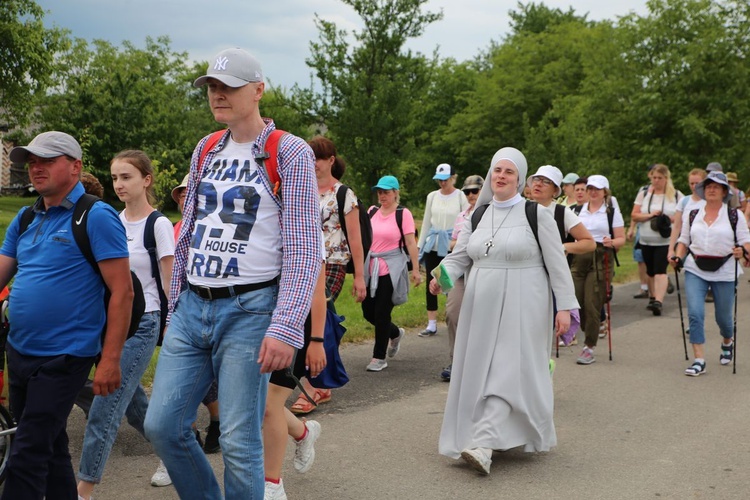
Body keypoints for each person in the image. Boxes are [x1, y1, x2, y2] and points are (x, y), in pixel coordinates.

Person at [143, 48, 322, 499]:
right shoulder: (206, 147)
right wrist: (175, 302)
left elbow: (305, 249)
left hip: (251, 309)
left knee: (241, 442)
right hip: (192, 306)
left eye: (229, 87)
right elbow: (190, 233)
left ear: (258, 90)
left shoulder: (289, 151)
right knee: (162, 425)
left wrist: (286, 327)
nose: (218, 95)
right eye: (212, 88)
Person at [0, 131, 132, 499]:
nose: (35, 168)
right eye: (31, 161)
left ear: (75, 167)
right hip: (21, 351)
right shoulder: (26, 218)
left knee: (26, 456)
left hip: (66, 355)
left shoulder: (95, 216)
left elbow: (123, 291)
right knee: (51, 446)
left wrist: (110, 359)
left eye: (46, 160)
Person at [431, 147, 578, 475]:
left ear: (520, 180)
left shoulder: (535, 214)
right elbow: (460, 257)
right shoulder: (477, 215)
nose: (501, 176)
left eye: (509, 172)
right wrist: (440, 279)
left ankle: (484, 444)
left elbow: (557, 264)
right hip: (480, 305)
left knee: (507, 371)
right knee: (483, 370)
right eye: (497, 170)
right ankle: (482, 434)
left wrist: (565, 308)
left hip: (525, 303)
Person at [77, 150, 174, 500]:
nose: (119, 184)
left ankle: (83, 490)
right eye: (115, 178)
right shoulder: (113, 220)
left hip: (144, 323)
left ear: (146, 180)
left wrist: (173, 322)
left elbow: (169, 281)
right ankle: (179, 452)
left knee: (104, 410)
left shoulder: (158, 225)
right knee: (136, 408)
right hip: (114, 323)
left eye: (127, 177)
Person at [289, 136, 366, 415]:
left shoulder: (343, 194)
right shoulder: (300, 189)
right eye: (310, 158)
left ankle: (314, 385)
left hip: (333, 263)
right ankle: (320, 380)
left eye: (319, 158)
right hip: (302, 261)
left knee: (316, 316)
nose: (314, 164)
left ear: (331, 160)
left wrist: (359, 277)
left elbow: (355, 240)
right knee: (314, 319)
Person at [671, 171, 750, 376]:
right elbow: (684, 240)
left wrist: (742, 251)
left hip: (724, 270)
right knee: (695, 313)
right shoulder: (693, 213)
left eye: (716, 186)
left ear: (724, 191)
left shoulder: (735, 215)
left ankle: (727, 340)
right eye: (708, 186)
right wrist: (677, 256)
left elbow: (745, 242)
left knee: (724, 318)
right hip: (695, 268)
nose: (711, 189)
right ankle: (699, 360)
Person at [263, 258, 327, 500]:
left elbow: (318, 292)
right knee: (260, 402)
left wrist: (317, 340)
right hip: (259, 321)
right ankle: (303, 433)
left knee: (270, 404)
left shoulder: (305, 225)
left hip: (295, 327)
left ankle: (272, 483)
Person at [527, 166, 596, 347]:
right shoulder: (521, 209)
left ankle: (540, 369)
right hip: (523, 278)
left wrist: (563, 247)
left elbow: (589, 242)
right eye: (536, 179)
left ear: (555, 190)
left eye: (546, 181)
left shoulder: (561, 213)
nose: (539, 184)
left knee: (539, 334)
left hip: (550, 281)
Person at [363, 175, 421, 371]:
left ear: (396, 193)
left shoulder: (403, 214)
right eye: (379, 192)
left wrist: (415, 268)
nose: (382, 196)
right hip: (371, 267)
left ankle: (378, 357)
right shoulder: (371, 212)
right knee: (368, 311)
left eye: (386, 192)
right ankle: (395, 333)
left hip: (392, 267)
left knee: (381, 312)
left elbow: (411, 242)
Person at [571, 175, 626, 365]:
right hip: (579, 256)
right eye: (590, 188)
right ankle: (592, 328)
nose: (593, 192)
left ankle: (589, 346)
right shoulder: (578, 210)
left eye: (597, 189)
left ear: (605, 192)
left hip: (602, 257)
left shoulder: (610, 211)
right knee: (576, 300)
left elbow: (621, 238)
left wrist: (612, 242)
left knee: (592, 301)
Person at [417, 164, 468, 337]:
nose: (442, 183)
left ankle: (451, 316)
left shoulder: (461, 196)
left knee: (448, 281)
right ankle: (431, 322)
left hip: (451, 244)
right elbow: (426, 222)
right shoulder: (432, 196)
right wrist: (419, 247)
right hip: (434, 243)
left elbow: (465, 219)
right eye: (439, 180)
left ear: (453, 178)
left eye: (445, 179)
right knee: (431, 280)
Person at [442, 174, 483, 381]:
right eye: (467, 191)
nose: (470, 195)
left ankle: (479, 362)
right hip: (460, 270)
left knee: (482, 316)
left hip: (483, 270)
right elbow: (452, 244)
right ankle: (456, 360)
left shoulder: (490, 213)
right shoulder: (462, 216)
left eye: (475, 191)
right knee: (453, 313)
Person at [630, 164, 682, 316]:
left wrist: (670, 219)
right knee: (650, 271)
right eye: (654, 177)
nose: (656, 181)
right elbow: (634, 215)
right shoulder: (644, 193)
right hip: (646, 239)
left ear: (666, 178)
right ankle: (653, 297)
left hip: (665, 240)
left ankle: (659, 301)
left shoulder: (676, 195)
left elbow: (684, 217)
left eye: (660, 178)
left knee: (660, 270)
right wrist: (650, 215)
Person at [668, 169, 707, 263]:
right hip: (686, 243)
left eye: (697, 183)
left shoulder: (708, 202)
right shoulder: (684, 201)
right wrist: (671, 249)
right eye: (691, 183)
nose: (694, 186)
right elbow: (677, 226)